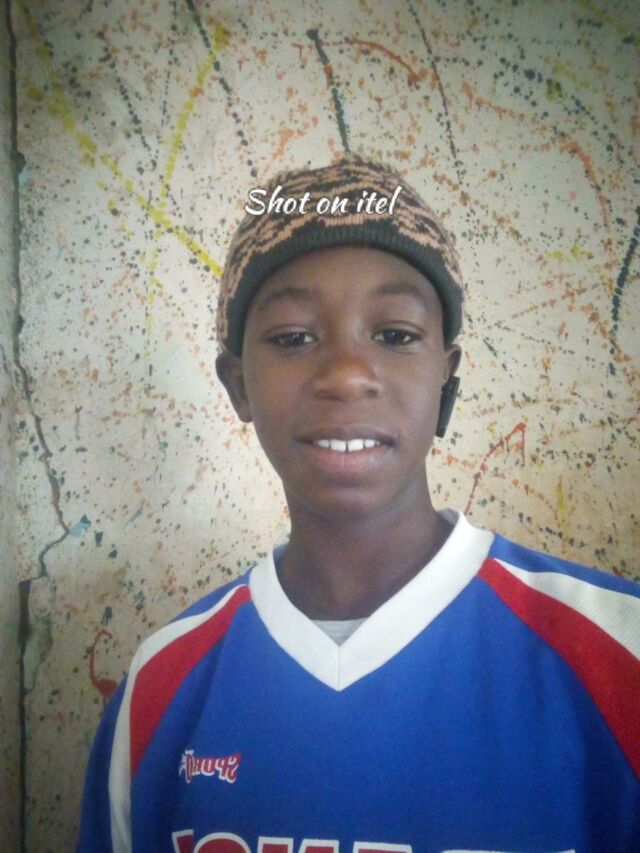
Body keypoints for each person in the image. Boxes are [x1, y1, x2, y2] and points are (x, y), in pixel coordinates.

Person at [78, 157, 640, 853]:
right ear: (238, 386)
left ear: (447, 379)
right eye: (293, 337)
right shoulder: (161, 685)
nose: (346, 375)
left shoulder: (619, 656)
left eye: (395, 334)